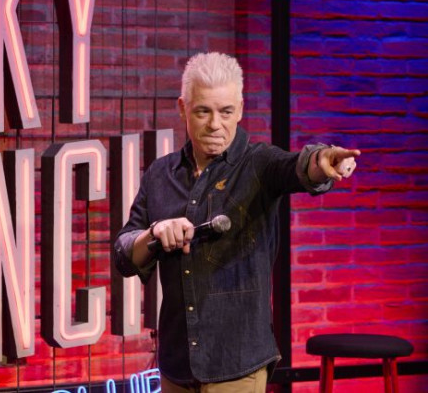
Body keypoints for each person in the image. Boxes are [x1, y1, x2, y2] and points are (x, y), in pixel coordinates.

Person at [112, 52, 360, 392]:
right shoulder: (160, 174)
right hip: (175, 367)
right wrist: (154, 234)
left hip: (237, 367)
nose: (215, 124)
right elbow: (124, 253)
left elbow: (297, 168)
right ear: (183, 108)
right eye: (203, 111)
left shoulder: (259, 164)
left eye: (226, 112)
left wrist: (322, 160)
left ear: (240, 110)